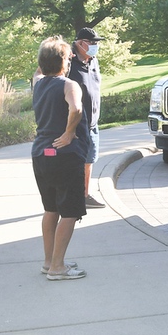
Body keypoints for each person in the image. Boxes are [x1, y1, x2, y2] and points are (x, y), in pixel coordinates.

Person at [32, 36, 88, 280]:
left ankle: (49, 262)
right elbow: (76, 109)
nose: (70, 60)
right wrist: (69, 133)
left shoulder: (38, 82)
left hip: (41, 151)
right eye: (68, 57)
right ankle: (58, 268)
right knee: (70, 212)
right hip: (64, 153)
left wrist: (51, 47)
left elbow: (40, 67)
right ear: (62, 61)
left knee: (51, 208)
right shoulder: (69, 85)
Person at [69, 27, 104, 208]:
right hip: (76, 123)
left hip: (92, 122)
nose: (95, 46)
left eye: (96, 43)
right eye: (92, 43)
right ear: (80, 43)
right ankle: (72, 196)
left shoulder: (93, 61)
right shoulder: (69, 63)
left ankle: (84, 195)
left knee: (89, 161)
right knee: (75, 162)